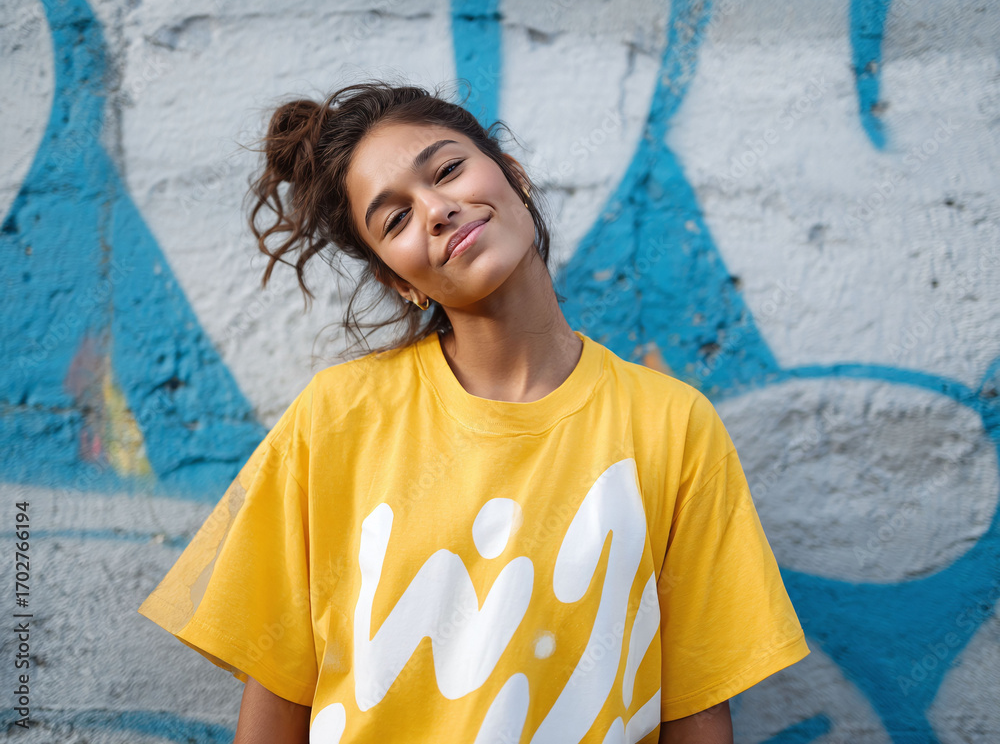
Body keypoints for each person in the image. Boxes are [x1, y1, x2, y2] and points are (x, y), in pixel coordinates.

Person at [138, 79, 810, 744]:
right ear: (396, 279)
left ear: (512, 175)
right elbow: (279, 699)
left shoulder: (674, 425)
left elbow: (695, 709)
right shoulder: (336, 418)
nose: (435, 209)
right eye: (394, 218)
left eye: (448, 170)